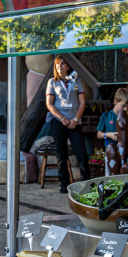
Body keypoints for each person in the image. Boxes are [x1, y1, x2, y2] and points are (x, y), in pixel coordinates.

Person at [45, 55, 88, 193]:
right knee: (61, 153)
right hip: (58, 121)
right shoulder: (52, 82)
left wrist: (75, 119)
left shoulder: (77, 81)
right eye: (58, 64)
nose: (60, 66)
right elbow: (49, 104)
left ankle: (86, 183)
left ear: (68, 66)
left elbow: (82, 102)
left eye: (63, 64)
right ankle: (64, 184)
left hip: (74, 121)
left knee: (81, 152)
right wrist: (62, 118)